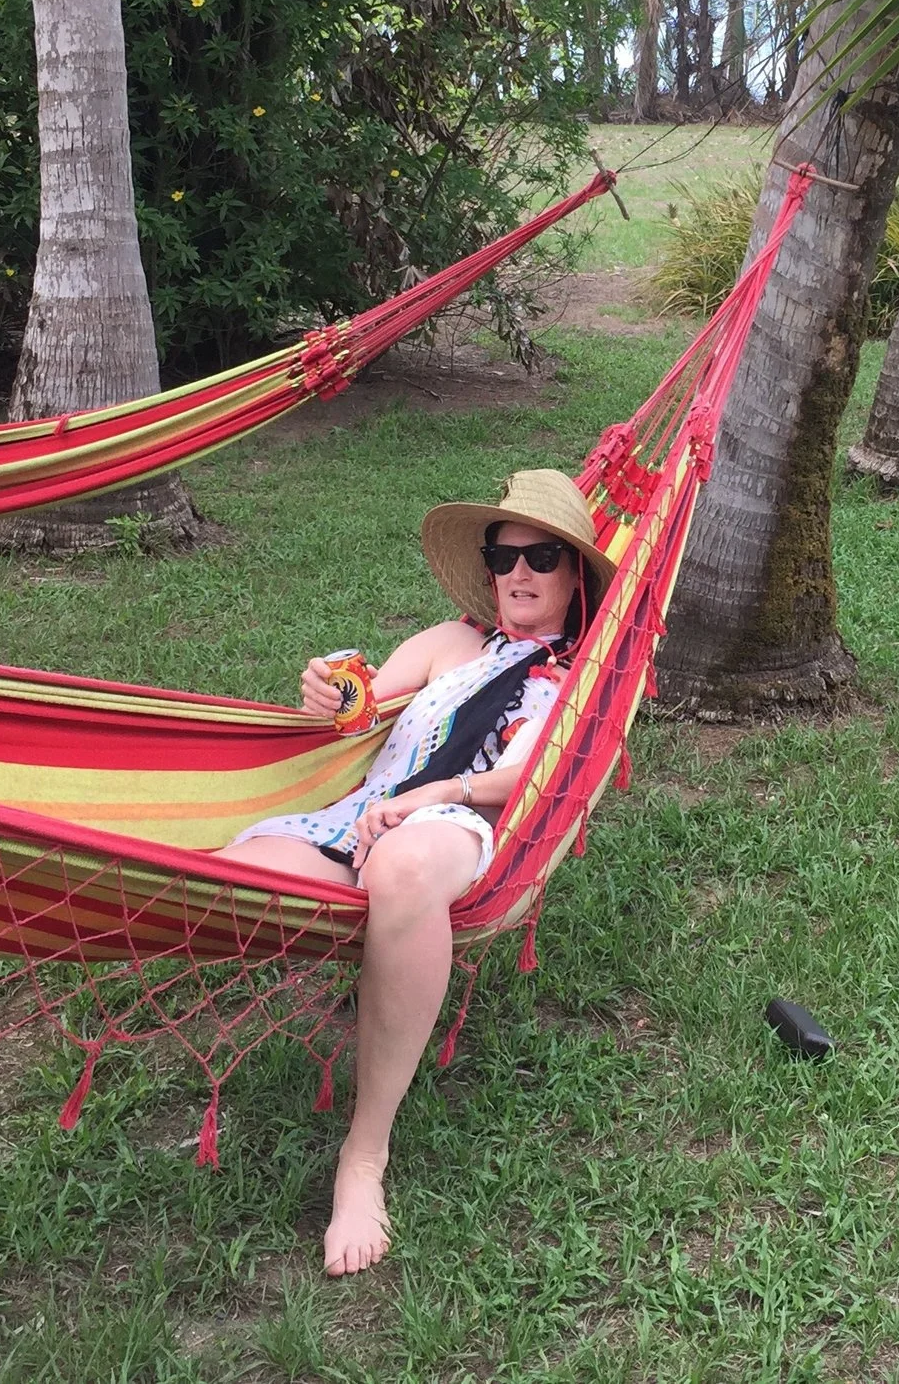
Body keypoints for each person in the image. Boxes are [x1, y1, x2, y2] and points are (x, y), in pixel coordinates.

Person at [218, 468, 614, 1276]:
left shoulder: (582, 678)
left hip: (461, 824)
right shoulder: (451, 644)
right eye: (503, 557)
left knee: (400, 867)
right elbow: (363, 704)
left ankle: (363, 1156)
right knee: (231, 871)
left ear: (576, 573)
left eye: (542, 556)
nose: (520, 574)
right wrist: (330, 690)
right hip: (356, 817)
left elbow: (535, 770)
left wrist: (437, 792)